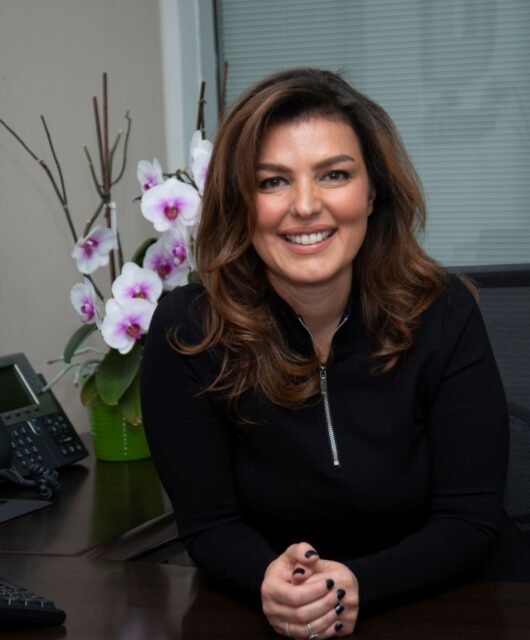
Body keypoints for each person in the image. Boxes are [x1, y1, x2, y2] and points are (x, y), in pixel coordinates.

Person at [140, 68, 510, 638]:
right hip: (273, 618)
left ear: (372, 191)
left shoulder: (443, 311)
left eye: (334, 174)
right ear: (240, 203)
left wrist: (355, 586)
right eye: (273, 182)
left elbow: (470, 519)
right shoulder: (188, 331)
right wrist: (267, 578)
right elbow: (210, 526)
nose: (306, 206)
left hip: (448, 609)